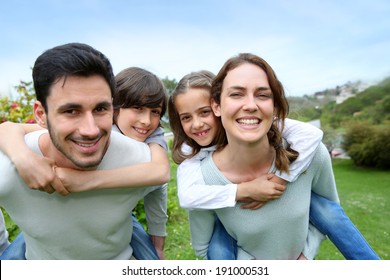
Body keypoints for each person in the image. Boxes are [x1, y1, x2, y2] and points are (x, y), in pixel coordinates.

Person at [171, 55, 379, 259]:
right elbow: (198, 232)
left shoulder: (301, 147)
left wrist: (282, 176)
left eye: (262, 95)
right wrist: (242, 191)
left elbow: (330, 215)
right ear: (219, 106)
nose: (197, 124)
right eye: (236, 94)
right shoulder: (199, 170)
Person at [0, 43, 169, 259]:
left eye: (100, 109)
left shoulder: (143, 157)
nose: (90, 130)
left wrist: (158, 242)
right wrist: (22, 157)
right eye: (71, 111)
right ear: (41, 115)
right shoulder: (8, 168)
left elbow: (160, 178)